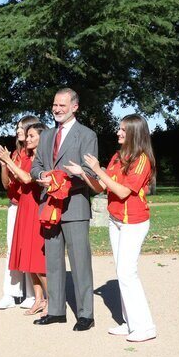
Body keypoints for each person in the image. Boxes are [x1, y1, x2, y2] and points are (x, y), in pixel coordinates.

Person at [66, 114, 157, 342]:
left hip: (133, 222)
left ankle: (145, 327)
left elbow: (123, 192)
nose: (118, 132)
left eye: (123, 130)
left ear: (134, 133)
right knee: (122, 272)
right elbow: (101, 187)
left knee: (128, 273)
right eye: (120, 129)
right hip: (116, 220)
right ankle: (130, 323)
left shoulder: (142, 159)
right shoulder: (118, 156)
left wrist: (99, 170)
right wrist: (84, 174)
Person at [30, 88, 98, 331]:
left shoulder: (87, 135)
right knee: (54, 261)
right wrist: (42, 175)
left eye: (62, 105)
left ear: (75, 107)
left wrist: (59, 179)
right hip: (49, 206)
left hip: (75, 207)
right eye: (55, 105)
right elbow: (35, 165)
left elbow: (89, 173)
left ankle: (85, 314)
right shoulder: (47, 135)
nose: (57, 109)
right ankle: (56, 311)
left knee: (80, 262)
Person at [0, 121, 49, 316]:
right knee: (26, 255)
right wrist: (6, 164)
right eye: (26, 136)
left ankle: (51, 300)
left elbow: (28, 178)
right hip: (24, 207)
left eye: (31, 136)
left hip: (36, 208)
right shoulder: (26, 156)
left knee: (37, 258)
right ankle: (38, 299)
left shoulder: (43, 158)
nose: (27, 139)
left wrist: (8, 161)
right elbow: (13, 181)